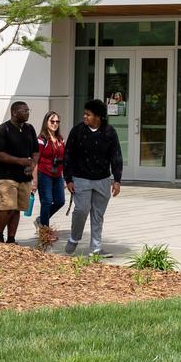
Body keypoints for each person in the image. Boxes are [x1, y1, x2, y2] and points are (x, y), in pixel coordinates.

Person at [64, 99, 123, 256]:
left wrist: (117, 180)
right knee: (81, 210)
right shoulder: (77, 131)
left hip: (103, 180)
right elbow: (68, 155)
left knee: (98, 214)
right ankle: (74, 238)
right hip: (81, 178)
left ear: (98, 117)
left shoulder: (109, 132)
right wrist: (68, 179)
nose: (84, 116)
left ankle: (96, 248)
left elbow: (116, 156)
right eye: (84, 113)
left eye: (88, 114)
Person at [0, 101, 39, 244]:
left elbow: (35, 151)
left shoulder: (30, 129)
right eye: (24, 111)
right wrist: (19, 161)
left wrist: (32, 164)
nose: (27, 113)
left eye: (28, 110)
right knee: (8, 206)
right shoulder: (3, 130)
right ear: (14, 112)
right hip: (5, 175)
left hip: (24, 176)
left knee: (17, 208)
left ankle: (11, 238)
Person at [34, 110, 68, 237]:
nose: (55, 124)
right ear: (46, 122)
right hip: (44, 174)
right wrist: (35, 181)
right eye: (52, 121)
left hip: (57, 175)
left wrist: (64, 178)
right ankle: (45, 230)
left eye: (57, 121)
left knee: (60, 201)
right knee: (47, 201)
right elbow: (35, 160)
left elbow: (64, 160)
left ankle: (41, 220)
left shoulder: (60, 139)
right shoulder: (42, 139)